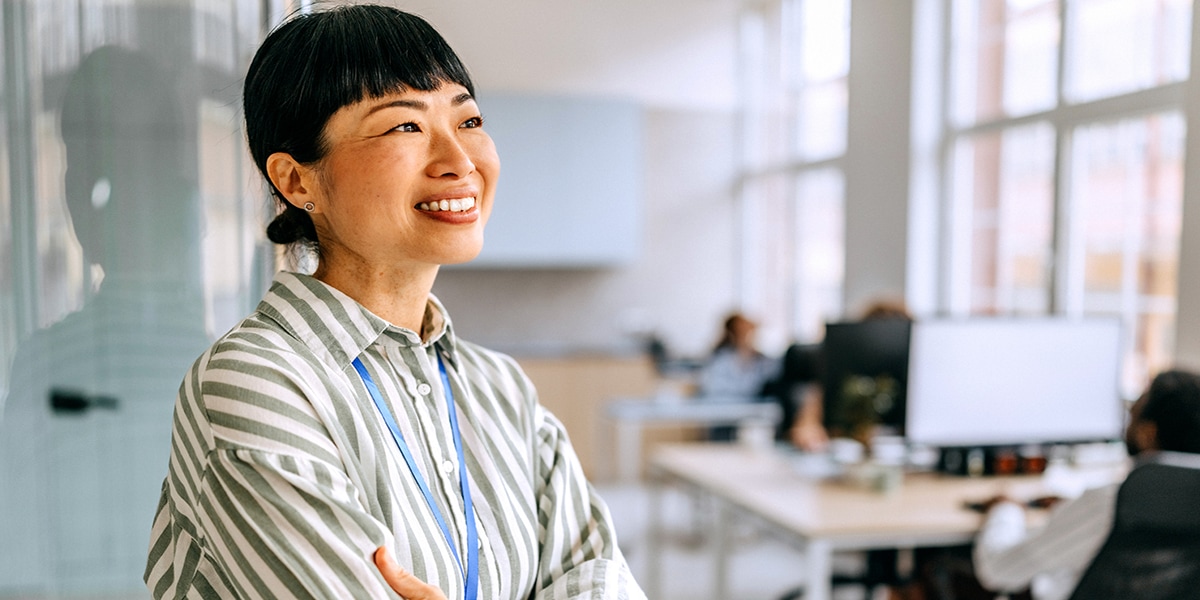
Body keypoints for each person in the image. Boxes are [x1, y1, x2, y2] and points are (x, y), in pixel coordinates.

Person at [144, 5, 645, 599]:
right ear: (297, 180)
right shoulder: (254, 382)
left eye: (469, 120)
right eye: (404, 126)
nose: (459, 162)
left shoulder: (499, 388)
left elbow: (600, 575)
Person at [972, 368, 1200, 600]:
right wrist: (1072, 510)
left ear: (1147, 433)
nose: (1129, 411)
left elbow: (999, 570)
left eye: (1136, 406)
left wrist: (1005, 509)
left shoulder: (1112, 505)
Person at [696, 312, 779, 441]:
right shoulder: (720, 359)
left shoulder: (763, 361)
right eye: (743, 332)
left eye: (751, 333)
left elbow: (771, 382)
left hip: (753, 419)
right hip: (722, 419)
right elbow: (712, 389)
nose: (748, 337)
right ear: (733, 334)